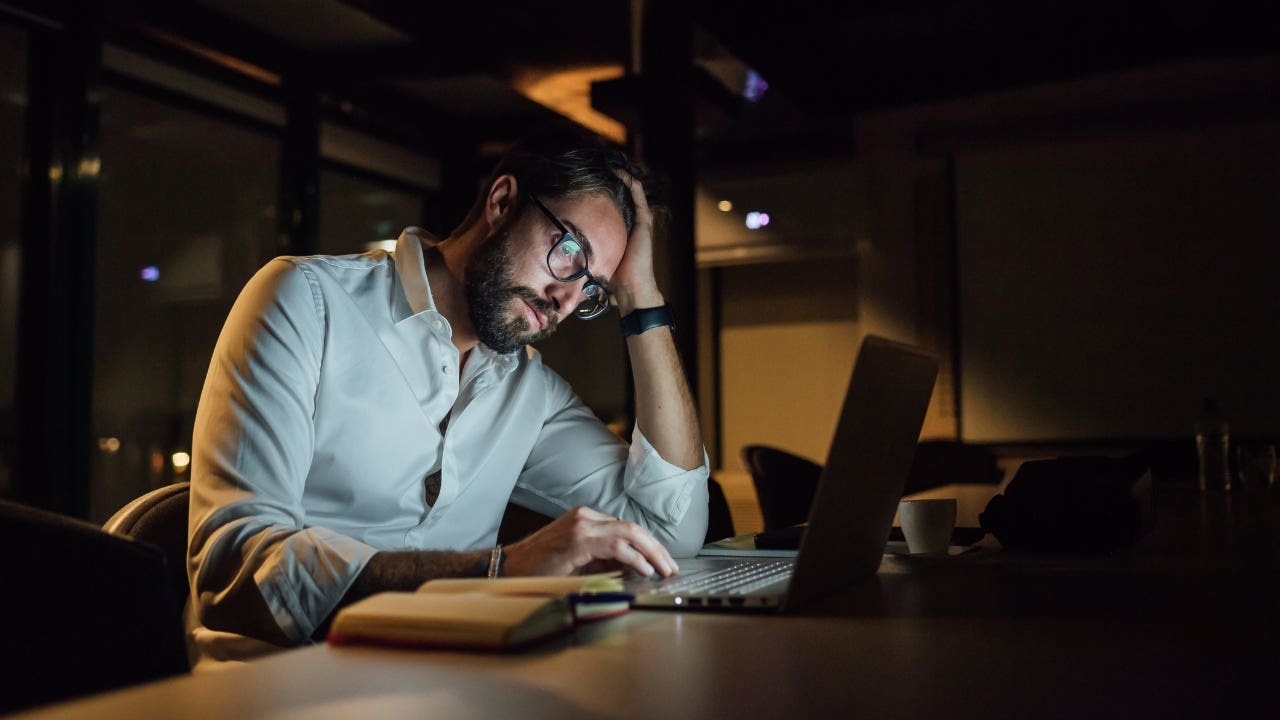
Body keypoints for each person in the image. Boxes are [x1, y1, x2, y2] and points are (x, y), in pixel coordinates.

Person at [187, 131, 709, 661]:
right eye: (569, 251)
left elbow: (672, 529)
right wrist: (498, 572)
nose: (567, 300)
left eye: (594, 289)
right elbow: (232, 566)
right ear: (502, 202)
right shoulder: (306, 301)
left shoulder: (531, 394)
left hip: (453, 684)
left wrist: (640, 297)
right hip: (279, 690)